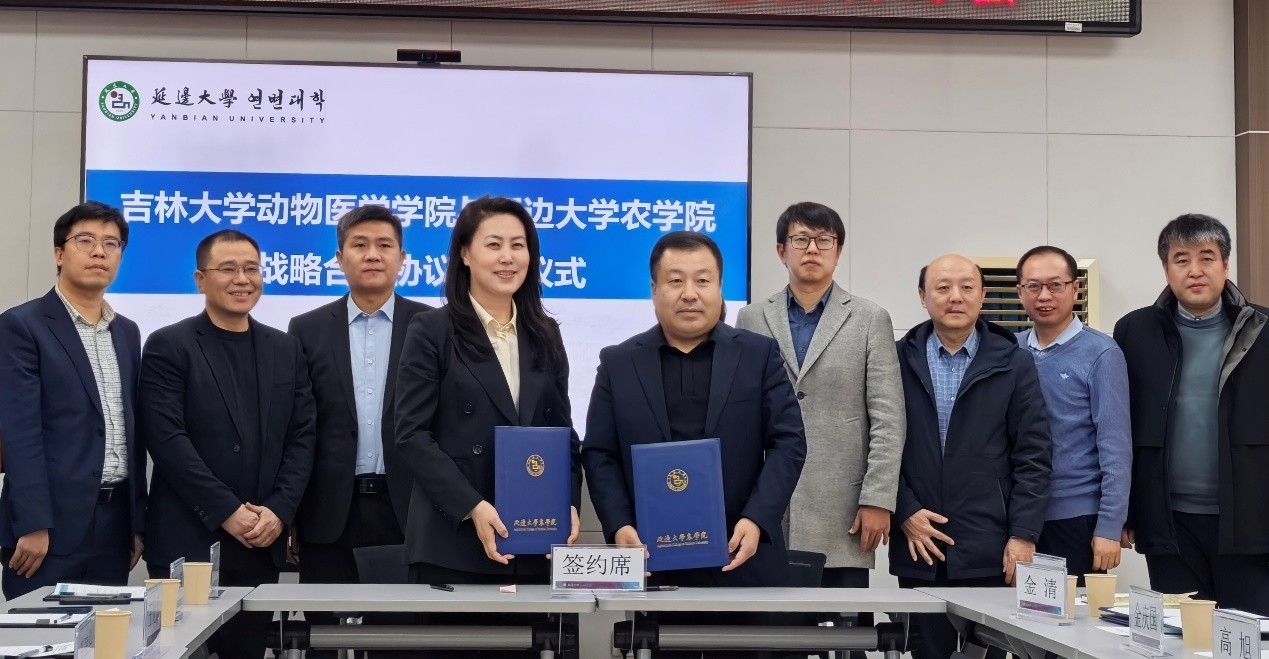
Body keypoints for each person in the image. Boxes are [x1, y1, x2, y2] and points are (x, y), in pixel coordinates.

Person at [583, 230, 806, 657]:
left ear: (720, 288)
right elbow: (599, 453)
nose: (690, 293)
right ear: (654, 289)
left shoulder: (758, 355)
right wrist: (619, 525)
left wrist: (757, 519)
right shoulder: (619, 361)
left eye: (702, 280)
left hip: (743, 556)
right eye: (675, 280)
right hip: (654, 563)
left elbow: (788, 442)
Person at [394, 196, 581, 657]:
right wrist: (473, 506)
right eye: (493, 244)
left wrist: (568, 501)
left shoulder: (545, 332)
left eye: (518, 245)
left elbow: (563, 433)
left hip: (533, 543)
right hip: (452, 544)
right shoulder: (431, 330)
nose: (507, 257)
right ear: (464, 253)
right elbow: (411, 435)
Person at [735, 202, 904, 658]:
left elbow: (888, 417)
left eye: (824, 240)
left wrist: (878, 498)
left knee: (847, 640)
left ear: (838, 250)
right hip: (769, 505)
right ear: (781, 250)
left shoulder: (870, 318)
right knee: (773, 641)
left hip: (843, 509)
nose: (812, 249)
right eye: (801, 239)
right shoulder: (752, 317)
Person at [141, 229, 315, 658]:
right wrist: (227, 511)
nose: (242, 279)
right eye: (228, 269)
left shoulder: (286, 348)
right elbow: (167, 440)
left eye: (252, 269)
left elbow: (302, 436)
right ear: (201, 279)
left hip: (259, 542)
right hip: (188, 541)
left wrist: (279, 510)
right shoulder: (169, 344)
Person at [891, 254, 1052, 659]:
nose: (955, 297)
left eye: (967, 287)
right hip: (919, 544)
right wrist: (904, 510)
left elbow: (1033, 455)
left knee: (990, 653)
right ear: (922, 296)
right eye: (942, 287)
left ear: (982, 295)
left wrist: (1023, 535)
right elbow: (878, 446)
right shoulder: (896, 359)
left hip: (990, 548)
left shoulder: (1013, 361)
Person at [288, 206, 431, 657]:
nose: (373, 255)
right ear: (339, 257)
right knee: (323, 640)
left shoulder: (432, 326)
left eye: (385, 245)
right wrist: (291, 514)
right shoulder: (306, 329)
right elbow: (298, 427)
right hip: (330, 512)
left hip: (407, 511)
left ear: (402, 258)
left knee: (403, 641)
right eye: (360, 245)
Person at [1114, 214, 1269, 615]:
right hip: (1168, 522)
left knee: (1248, 634)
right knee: (1180, 637)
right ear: (1166, 269)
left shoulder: (1264, 329)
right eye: (1181, 259)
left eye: (1207, 257)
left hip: (1250, 520)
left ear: (1226, 265)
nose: (1195, 270)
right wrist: (1124, 512)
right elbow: (1119, 426)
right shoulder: (1134, 331)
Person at [0, 201, 146, 599]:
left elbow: (132, 430)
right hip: (49, 530)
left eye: (111, 243)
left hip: (115, 525)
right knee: (45, 631)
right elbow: (20, 432)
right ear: (59, 254)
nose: (100, 252)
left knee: (107, 632)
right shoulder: (22, 325)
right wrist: (32, 523)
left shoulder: (128, 332)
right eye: (86, 241)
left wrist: (135, 523)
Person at [1015, 245, 1130, 581]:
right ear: (1020, 292)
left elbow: (1115, 445)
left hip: (1078, 517)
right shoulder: (1011, 350)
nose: (1044, 296)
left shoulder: (1102, 353)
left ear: (1075, 288)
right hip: (1020, 517)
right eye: (1033, 286)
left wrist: (1109, 526)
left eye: (1056, 285)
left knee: (1073, 614)